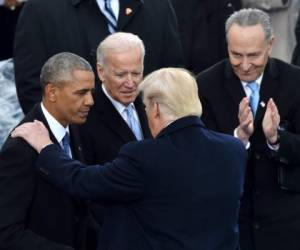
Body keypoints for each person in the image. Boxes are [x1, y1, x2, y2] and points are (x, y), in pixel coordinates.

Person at [11, 68, 247, 250]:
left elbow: (82, 181)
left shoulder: (144, 156)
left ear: (155, 109)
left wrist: (46, 146)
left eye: (144, 107)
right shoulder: (234, 149)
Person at [197, 8, 300, 250]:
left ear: (271, 45)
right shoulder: (204, 86)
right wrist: (238, 138)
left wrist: (276, 138)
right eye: (236, 55)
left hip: (285, 224)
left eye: (253, 55)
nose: (244, 65)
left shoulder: (294, 83)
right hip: (231, 222)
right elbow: (200, 155)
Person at [13, 0, 184, 114]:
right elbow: (32, 88)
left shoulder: (158, 5)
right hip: (77, 155)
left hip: (150, 147)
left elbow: (172, 76)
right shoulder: (41, 8)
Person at [0, 52, 95, 250]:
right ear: (52, 92)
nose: (90, 101)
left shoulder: (74, 126)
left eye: (91, 92)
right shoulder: (19, 148)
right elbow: (7, 233)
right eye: (81, 93)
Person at [80, 32, 151, 165]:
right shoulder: (84, 114)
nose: (130, 83)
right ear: (101, 72)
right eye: (120, 75)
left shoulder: (153, 103)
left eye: (136, 73)